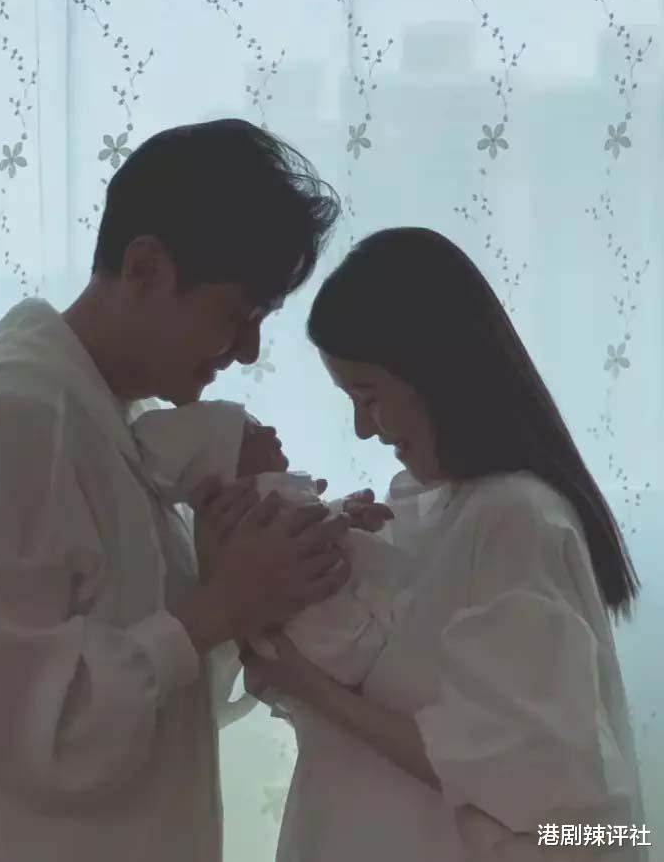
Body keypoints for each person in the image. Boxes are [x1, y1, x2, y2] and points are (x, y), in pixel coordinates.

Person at [0, 119, 390, 862]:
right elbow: (13, 726)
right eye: (234, 316)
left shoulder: (104, 426)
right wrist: (218, 605)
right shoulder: (17, 420)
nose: (247, 351)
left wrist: (257, 571)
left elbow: (156, 709)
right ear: (145, 268)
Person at [243, 227, 647, 861]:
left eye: (368, 397)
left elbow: (523, 781)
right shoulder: (422, 504)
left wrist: (307, 686)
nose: (363, 429)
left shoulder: (515, 518)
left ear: (432, 373)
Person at [130, 399, 399, 687]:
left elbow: (311, 520)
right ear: (226, 463)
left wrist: (344, 510)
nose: (269, 430)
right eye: (251, 430)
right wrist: (343, 513)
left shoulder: (250, 508)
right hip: (330, 630)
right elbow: (309, 524)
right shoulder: (258, 501)